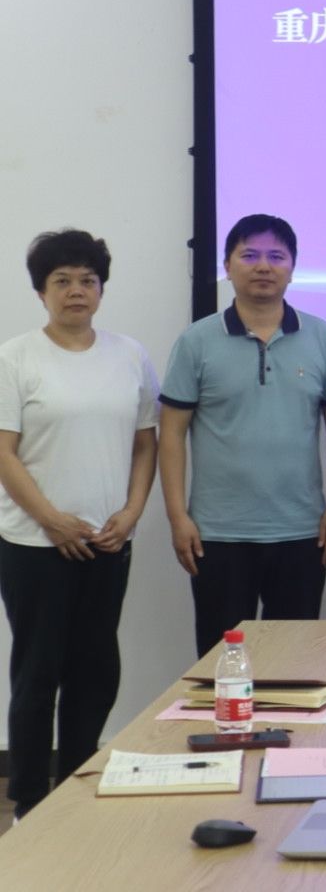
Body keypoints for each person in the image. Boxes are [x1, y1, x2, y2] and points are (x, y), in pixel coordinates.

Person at [0, 230, 158, 819]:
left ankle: (73, 791)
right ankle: (29, 800)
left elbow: (145, 444)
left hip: (108, 540)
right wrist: (52, 521)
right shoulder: (15, 358)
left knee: (95, 670)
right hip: (34, 544)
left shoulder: (129, 355)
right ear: (41, 291)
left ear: (101, 289)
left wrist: (131, 513)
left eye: (87, 280)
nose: (76, 291)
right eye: (62, 280)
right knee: (38, 671)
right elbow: (4, 453)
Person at [159, 214, 326, 657]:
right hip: (218, 533)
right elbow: (171, 434)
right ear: (227, 266)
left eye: (276, 256)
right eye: (249, 255)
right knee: (222, 665)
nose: (263, 266)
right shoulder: (197, 341)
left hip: (302, 531)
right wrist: (177, 516)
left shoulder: (322, 338)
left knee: (293, 665)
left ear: (293, 268)